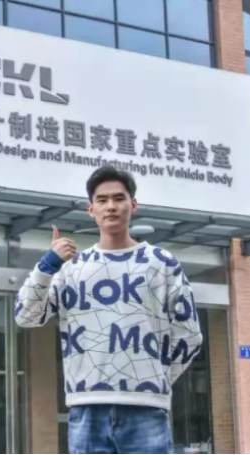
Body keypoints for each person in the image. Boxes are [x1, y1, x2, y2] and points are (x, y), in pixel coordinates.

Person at [15, 166, 203, 454]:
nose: (111, 206)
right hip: (87, 408)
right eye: (102, 200)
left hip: (146, 410)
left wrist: (156, 378)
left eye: (119, 198)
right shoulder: (72, 268)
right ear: (91, 209)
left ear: (133, 205)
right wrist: (48, 265)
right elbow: (26, 316)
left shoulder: (161, 263)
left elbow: (189, 334)